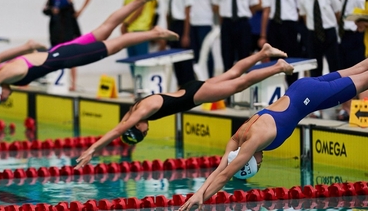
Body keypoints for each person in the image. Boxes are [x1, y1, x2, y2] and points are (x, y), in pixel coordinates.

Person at [175, 50, 368, 211]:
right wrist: (199, 193)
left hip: (310, 97)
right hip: (301, 90)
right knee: (360, 68)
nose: (261, 160)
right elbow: (221, 168)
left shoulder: (254, 140)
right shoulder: (237, 138)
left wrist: (203, 196)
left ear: (249, 159)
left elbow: (225, 174)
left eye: (257, 163)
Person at [0, 0, 176, 127]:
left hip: (67, 56)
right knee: (106, 28)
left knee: (116, 44)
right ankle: (139, 0)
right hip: (61, 50)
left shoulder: (6, 75)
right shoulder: (3, 71)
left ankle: (153, 32)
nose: (7, 98)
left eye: (2, 98)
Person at [75, 44, 292, 167]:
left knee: (239, 83)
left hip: (194, 95)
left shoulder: (141, 112)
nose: (146, 131)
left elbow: (117, 130)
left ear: (136, 126)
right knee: (232, 74)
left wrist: (93, 149)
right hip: (191, 90)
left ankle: (277, 67)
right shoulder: (135, 113)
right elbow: (121, 127)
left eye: (142, 134)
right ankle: (263, 53)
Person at [42, 0, 92, 91]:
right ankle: (57, 80)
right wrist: (51, 11)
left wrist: (80, 11)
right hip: (56, 28)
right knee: (56, 53)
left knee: (71, 55)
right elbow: (45, 9)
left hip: (68, 28)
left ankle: (73, 83)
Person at [259, 0, 302, 84]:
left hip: (290, 26)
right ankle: (276, 87)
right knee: (274, 59)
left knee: (291, 58)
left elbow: (299, 10)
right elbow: (266, 12)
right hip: (274, 26)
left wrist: (297, 28)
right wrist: (263, 35)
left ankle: (292, 86)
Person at [217, 0, 259, 71]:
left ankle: (244, 84)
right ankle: (228, 86)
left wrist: (244, 15)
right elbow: (217, 7)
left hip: (242, 24)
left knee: (244, 56)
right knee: (227, 56)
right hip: (227, 24)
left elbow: (254, 5)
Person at [299, 0, 341, 80]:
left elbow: (337, 13)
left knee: (334, 64)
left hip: (329, 32)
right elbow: (304, 16)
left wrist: (330, 25)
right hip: (313, 34)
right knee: (315, 66)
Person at [336, 0, 366, 121]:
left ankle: (357, 107)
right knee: (344, 74)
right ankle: (346, 107)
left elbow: (362, 21)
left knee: (355, 73)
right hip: (343, 38)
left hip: (354, 38)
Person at [164, 0, 196, 87]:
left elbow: (187, 11)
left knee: (184, 59)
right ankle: (180, 86)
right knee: (175, 57)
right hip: (173, 24)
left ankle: (189, 87)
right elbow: (168, 10)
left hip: (182, 24)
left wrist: (186, 34)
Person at [122, 0, 156, 75]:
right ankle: (137, 86)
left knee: (141, 60)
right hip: (130, 29)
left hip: (140, 28)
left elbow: (139, 9)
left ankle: (144, 86)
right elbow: (125, 8)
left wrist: (126, 23)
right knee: (132, 60)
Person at [189, 0, 218, 77]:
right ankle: (198, 78)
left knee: (206, 53)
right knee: (194, 53)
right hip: (192, 23)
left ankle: (210, 77)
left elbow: (215, 5)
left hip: (205, 23)